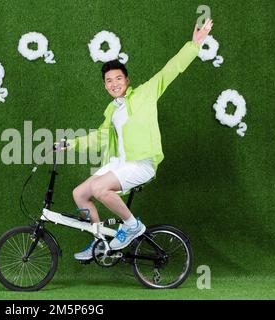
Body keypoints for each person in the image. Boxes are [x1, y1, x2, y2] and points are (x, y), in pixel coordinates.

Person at [59, 19, 214, 260]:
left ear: (127, 80)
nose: (114, 84)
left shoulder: (145, 93)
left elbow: (170, 70)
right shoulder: (112, 110)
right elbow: (99, 137)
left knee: (100, 189)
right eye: (109, 81)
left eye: (118, 79)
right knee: (80, 193)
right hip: (120, 164)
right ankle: (100, 243)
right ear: (105, 85)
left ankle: (131, 225)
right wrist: (70, 144)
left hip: (142, 163)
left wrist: (194, 45)